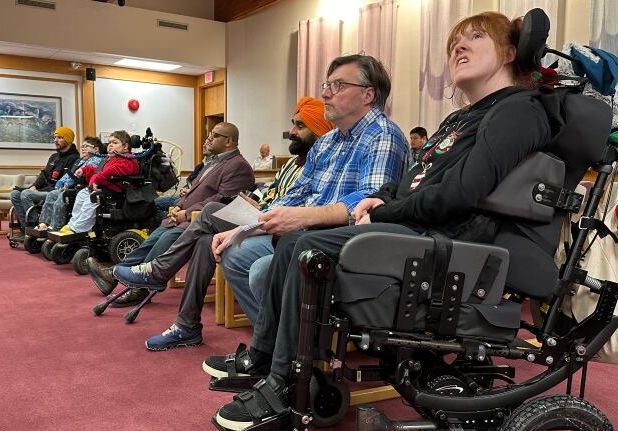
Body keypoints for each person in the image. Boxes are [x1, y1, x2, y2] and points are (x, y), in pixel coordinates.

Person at [206, 12, 554, 431]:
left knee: (308, 247)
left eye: (475, 38)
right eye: (455, 42)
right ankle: (268, 361)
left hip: (451, 240)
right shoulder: (461, 119)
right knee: (298, 238)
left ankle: (283, 384)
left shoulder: (518, 110)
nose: (458, 47)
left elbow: (461, 194)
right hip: (422, 229)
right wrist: (381, 198)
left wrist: (383, 210)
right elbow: (411, 184)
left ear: (511, 52)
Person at [116, 54, 410, 351]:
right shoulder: (328, 142)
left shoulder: (382, 136)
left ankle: (274, 349)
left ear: (368, 94)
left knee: (227, 236)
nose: (325, 93)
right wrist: (251, 226)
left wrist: (295, 218)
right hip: (297, 232)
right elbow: (297, 193)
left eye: (337, 85)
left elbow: (368, 205)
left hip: (336, 240)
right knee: (221, 245)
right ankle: (271, 347)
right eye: (326, 84)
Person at [89, 122, 255, 304]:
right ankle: (115, 275)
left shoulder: (239, 166)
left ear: (229, 141)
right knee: (153, 238)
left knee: (165, 239)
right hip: (187, 216)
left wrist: (186, 212)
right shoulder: (216, 161)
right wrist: (178, 207)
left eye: (214, 135)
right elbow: (192, 191)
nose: (209, 138)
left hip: (203, 222)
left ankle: (140, 288)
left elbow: (223, 200)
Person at [53, 131, 139, 235]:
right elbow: (100, 171)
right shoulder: (110, 158)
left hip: (114, 192)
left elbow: (111, 171)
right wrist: (86, 170)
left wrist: (97, 179)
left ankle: (79, 230)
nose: (110, 145)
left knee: (89, 202)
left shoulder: (128, 159)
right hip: (101, 188)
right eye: (109, 142)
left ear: (125, 147)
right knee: (80, 195)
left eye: (115, 142)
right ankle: (72, 225)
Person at [10, 126, 79, 229]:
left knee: (26, 194)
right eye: (55, 137)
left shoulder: (74, 158)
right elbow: (44, 175)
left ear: (68, 140)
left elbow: (65, 180)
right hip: (43, 189)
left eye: (59, 137)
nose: (55, 140)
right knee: (15, 194)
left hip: (54, 191)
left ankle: (35, 225)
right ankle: (25, 226)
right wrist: (34, 186)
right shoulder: (54, 156)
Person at [34, 136, 106, 231]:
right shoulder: (82, 160)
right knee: (52, 194)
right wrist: (60, 182)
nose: (83, 148)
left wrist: (67, 183)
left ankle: (56, 226)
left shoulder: (96, 160)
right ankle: (44, 223)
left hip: (82, 187)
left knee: (62, 196)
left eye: (86, 146)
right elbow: (70, 173)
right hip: (73, 187)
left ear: (96, 149)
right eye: (82, 146)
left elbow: (78, 176)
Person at [154, 141, 214, 215]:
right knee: (153, 202)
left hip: (194, 199)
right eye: (204, 143)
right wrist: (184, 189)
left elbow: (206, 190)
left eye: (208, 143)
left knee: (157, 203)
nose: (204, 145)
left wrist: (191, 191)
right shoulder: (200, 166)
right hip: (185, 196)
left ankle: (169, 219)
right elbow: (190, 181)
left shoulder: (214, 168)